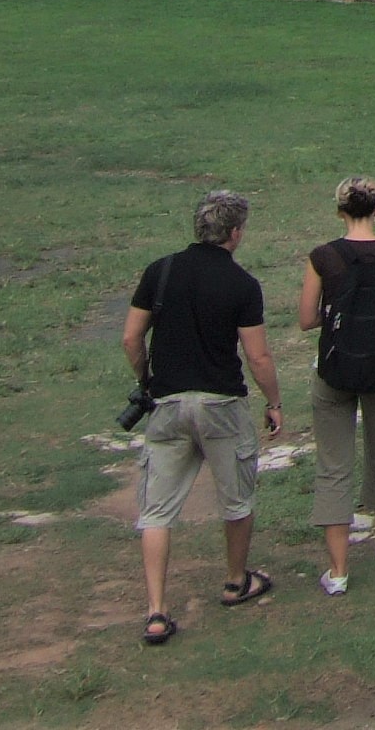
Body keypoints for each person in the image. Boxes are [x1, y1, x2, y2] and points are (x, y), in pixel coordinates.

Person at [124, 188, 283, 644]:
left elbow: (132, 339)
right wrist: (273, 403)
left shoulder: (161, 271)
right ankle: (236, 581)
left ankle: (156, 611)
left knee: (156, 510)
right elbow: (258, 356)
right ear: (234, 233)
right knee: (236, 498)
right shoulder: (242, 284)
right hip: (221, 404)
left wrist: (146, 379)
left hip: (168, 403)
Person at [295, 174, 375, 596]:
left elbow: (307, 319)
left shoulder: (322, 257)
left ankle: (339, 570)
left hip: (333, 371)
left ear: (340, 212)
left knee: (334, 467)